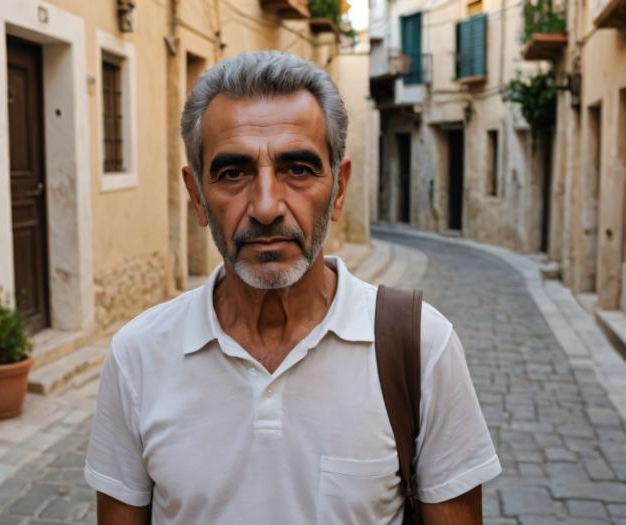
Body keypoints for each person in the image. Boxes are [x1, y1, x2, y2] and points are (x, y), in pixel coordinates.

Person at [85, 50, 501, 525]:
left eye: (298, 170)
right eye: (233, 173)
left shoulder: (423, 347)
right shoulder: (138, 357)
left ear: (339, 188)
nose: (266, 206)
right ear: (197, 195)